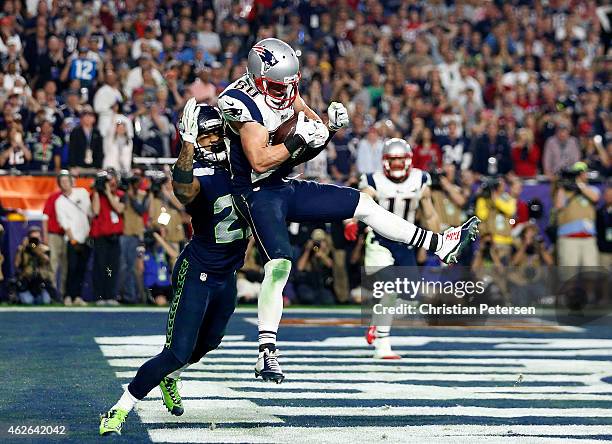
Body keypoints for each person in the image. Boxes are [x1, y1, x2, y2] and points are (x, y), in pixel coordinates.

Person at [217, 38, 480, 383]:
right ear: (259, 76)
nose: (286, 93)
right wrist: (300, 139)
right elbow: (260, 159)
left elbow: (311, 140)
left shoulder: (285, 87)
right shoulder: (237, 101)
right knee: (279, 264)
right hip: (254, 191)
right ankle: (267, 352)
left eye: (290, 85)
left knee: (364, 204)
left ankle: (440, 244)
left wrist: (329, 128)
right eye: (279, 87)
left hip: (283, 185)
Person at [99, 101, 249, 436]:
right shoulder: (196, 172)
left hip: (228, 275)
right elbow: (183, 189)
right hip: (197, 271)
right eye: (203, 136)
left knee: (209, 343)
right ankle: (120, 407)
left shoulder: (242, 167)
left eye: (214, 134)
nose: (211, 141)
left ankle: (173, 376)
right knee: (176, 351)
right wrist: (188, 145)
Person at [360, 138, 441, 359]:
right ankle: (383, 346)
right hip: (379, 240)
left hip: (406, 243)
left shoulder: (420, 179)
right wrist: (350, 222)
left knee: (410, 298)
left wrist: (438, 241)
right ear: (384, 161)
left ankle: (377, 324)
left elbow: (430, 215)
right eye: (392, 160)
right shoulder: (372, 180)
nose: (396, 164)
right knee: (389, 288)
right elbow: (363, 199)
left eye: (400, 159)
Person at [553, 162, 601, 267]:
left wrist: (579, 185)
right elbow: (559, 205)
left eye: (582, 173)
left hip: (588, 238)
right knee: (569, 276)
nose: (581, 175)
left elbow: (595, 197)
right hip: (568, 238)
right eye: (578, 174)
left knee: (591, 275)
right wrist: (561, 185)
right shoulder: (564, 192)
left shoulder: (592, 189)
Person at [55, 170, 91, 306]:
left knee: (82, 268)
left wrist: (89, 234)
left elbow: (89, 212)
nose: (65, 183)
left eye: (66, 180)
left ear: (71, 181)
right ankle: (68, 295)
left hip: (86, 237)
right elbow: (65, 223)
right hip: (73, 239)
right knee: (71, 268)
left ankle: (77, 296)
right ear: (59, 184)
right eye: (62, 181)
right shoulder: (59, 202)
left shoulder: (82, 192)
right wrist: (73, 240)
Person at [90, 169, 125, 305]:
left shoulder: (120, 194)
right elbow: (95, 211)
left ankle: (110, 295)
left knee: (113, 267)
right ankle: (99, 296)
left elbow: (119, 209)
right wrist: (98, 191)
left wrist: (108, 193)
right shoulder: (96, 195)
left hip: (115, 235)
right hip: (101, 236)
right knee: (100, 266)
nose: (110, 183)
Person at [119, 171, 148, 304]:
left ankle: (136, 296)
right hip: (125, 234)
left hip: (137, 235)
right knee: (124, 266)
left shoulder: (142, 196)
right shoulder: (124, 196)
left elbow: (141, 210)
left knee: (136, 268)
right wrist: (128, 195)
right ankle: (126, 295)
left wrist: (132, 197)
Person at [14, 226, 54, 305]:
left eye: (36, 239)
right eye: (32, 239)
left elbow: (46, 261)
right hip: (26, 282)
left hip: (39, 283)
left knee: (45, 301)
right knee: (29, 301)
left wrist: (37, 250)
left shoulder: (44, 249)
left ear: (40, 238)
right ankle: (19, 296)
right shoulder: (22, 249)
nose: (34, 242)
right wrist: (22, 249)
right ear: (28, 238)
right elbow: (16, 264)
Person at [295, 228, 335, 305]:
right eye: (317, 241)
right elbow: (300, 267)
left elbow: (331, 265)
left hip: (320, 287)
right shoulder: (306, 251)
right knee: (308, 297)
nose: (318, 243)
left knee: (329, 300)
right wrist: (308, 250)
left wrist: (322, 254)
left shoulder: (327, 252)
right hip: (307, 286)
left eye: (321, 241)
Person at [42, 184, 67, 300]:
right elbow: (45, 217)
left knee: (66, 266)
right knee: (52, 265)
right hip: (54, 234)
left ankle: (63, 294)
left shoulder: (73, 197)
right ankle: (52, 294)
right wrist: (45, 235)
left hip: (69, 235)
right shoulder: (54, 197)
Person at [68, 105, 104, 172]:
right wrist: (72, 166)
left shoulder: (97, 133)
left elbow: (100, 151)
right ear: (81, 118)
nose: (88, 117)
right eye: (85, 115)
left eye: (90, 115)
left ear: (94, 119)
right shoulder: (75, 131)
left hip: (94, 167)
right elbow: (72, 150)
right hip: (78, 167)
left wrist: (99, 166)